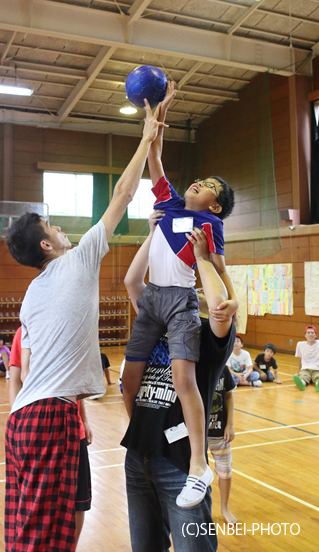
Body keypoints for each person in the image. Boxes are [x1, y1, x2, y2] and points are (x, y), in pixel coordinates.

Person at [4, 101, 164, 552]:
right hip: (50, 418)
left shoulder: (32, 294)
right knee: (42, 541)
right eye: (52, 226)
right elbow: (123, 196)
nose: (59, 227)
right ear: (46, 244)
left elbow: (31, 366)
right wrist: (147, 136)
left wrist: (79, 410)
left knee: (60, 519)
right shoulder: (77, 261)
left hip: (28, 419)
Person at [122, 81, 236, 508]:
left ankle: (196, 464)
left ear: (215, 206)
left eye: (207, 184)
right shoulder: (169, 205)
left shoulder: (210, 227)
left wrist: (215, 271)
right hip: (152, 297)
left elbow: (219, 272)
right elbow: (154, 156)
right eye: (199, 178)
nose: (197, 183)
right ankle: (142, 438)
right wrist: (161, 115)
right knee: (128, 380)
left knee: (184, 378)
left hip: (181, 303)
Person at [121, 218, 237, 552]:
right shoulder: (156, 322)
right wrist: (155, 233)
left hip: (179, 465)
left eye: (197, 290)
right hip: (138, 457)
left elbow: (219, 307)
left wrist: (203, 259)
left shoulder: (209, 340)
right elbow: (133, 282)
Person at [8, 326, 92, 549]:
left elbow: (76, 383)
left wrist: (85, 420)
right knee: (36, 503)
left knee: (78, 502)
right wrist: (18, 418)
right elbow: (15, 379)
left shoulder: (69, 325)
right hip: (37, 426)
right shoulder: (24, 332)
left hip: (74, 428)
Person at [207, 365, 237, 524]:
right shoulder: (191, 367)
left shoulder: (223, 369)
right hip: (197, 434)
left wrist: (230, 425)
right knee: (194, 472)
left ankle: (224, 508)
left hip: (220, 432)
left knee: (225, 470)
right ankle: (197, 509)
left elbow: (229, 397)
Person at [293, 325, 319, 391]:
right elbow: (300, 359)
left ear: (316, 335)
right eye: (308, 332)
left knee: (317, 378)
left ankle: (318, 384)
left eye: (312, 333)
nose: (310, 334)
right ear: (305, 335)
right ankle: (301, 383)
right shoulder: (300, 344)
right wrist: (299, 372)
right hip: (305, 369)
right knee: (303, 377)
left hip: (317, 369)